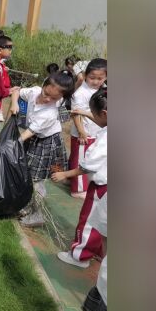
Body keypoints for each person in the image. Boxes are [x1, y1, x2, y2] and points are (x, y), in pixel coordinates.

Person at [9, 70, 75, 227]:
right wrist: (14, 102)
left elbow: (28, 133)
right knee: (25, 173)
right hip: (33, 139)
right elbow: (16, 90)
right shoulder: (34, 91)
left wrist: (11, 144)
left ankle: (37, 215)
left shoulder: (50, 113)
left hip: (46, 143)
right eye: (46, 93)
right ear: (44, 85)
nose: (47, 99)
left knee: (36, 180)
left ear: (60, 99)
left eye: (54, 98)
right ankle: (25, 206)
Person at [52, 87, 107, 268]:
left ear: (105, 113)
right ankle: (98, 250)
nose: (91, 116)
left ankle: (80, 255)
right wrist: (85, 112)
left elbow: (87, 166)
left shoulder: (106, 140)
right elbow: (102, 120)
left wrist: (64, 174)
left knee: (89, 220)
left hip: (102, 187)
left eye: (93, 114)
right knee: (104, 221)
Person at [68, 58, 107, 198]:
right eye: (92, 78)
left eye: (100, 78)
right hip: (84, 133)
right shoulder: (81, 93)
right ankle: (77, 190)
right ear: (85, 75)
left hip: (96, 132)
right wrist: (81, 132)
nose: (96, 81)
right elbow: (75, 114)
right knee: (79, 160)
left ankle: (76, 181)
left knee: (89, 158)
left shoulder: (103, 90)